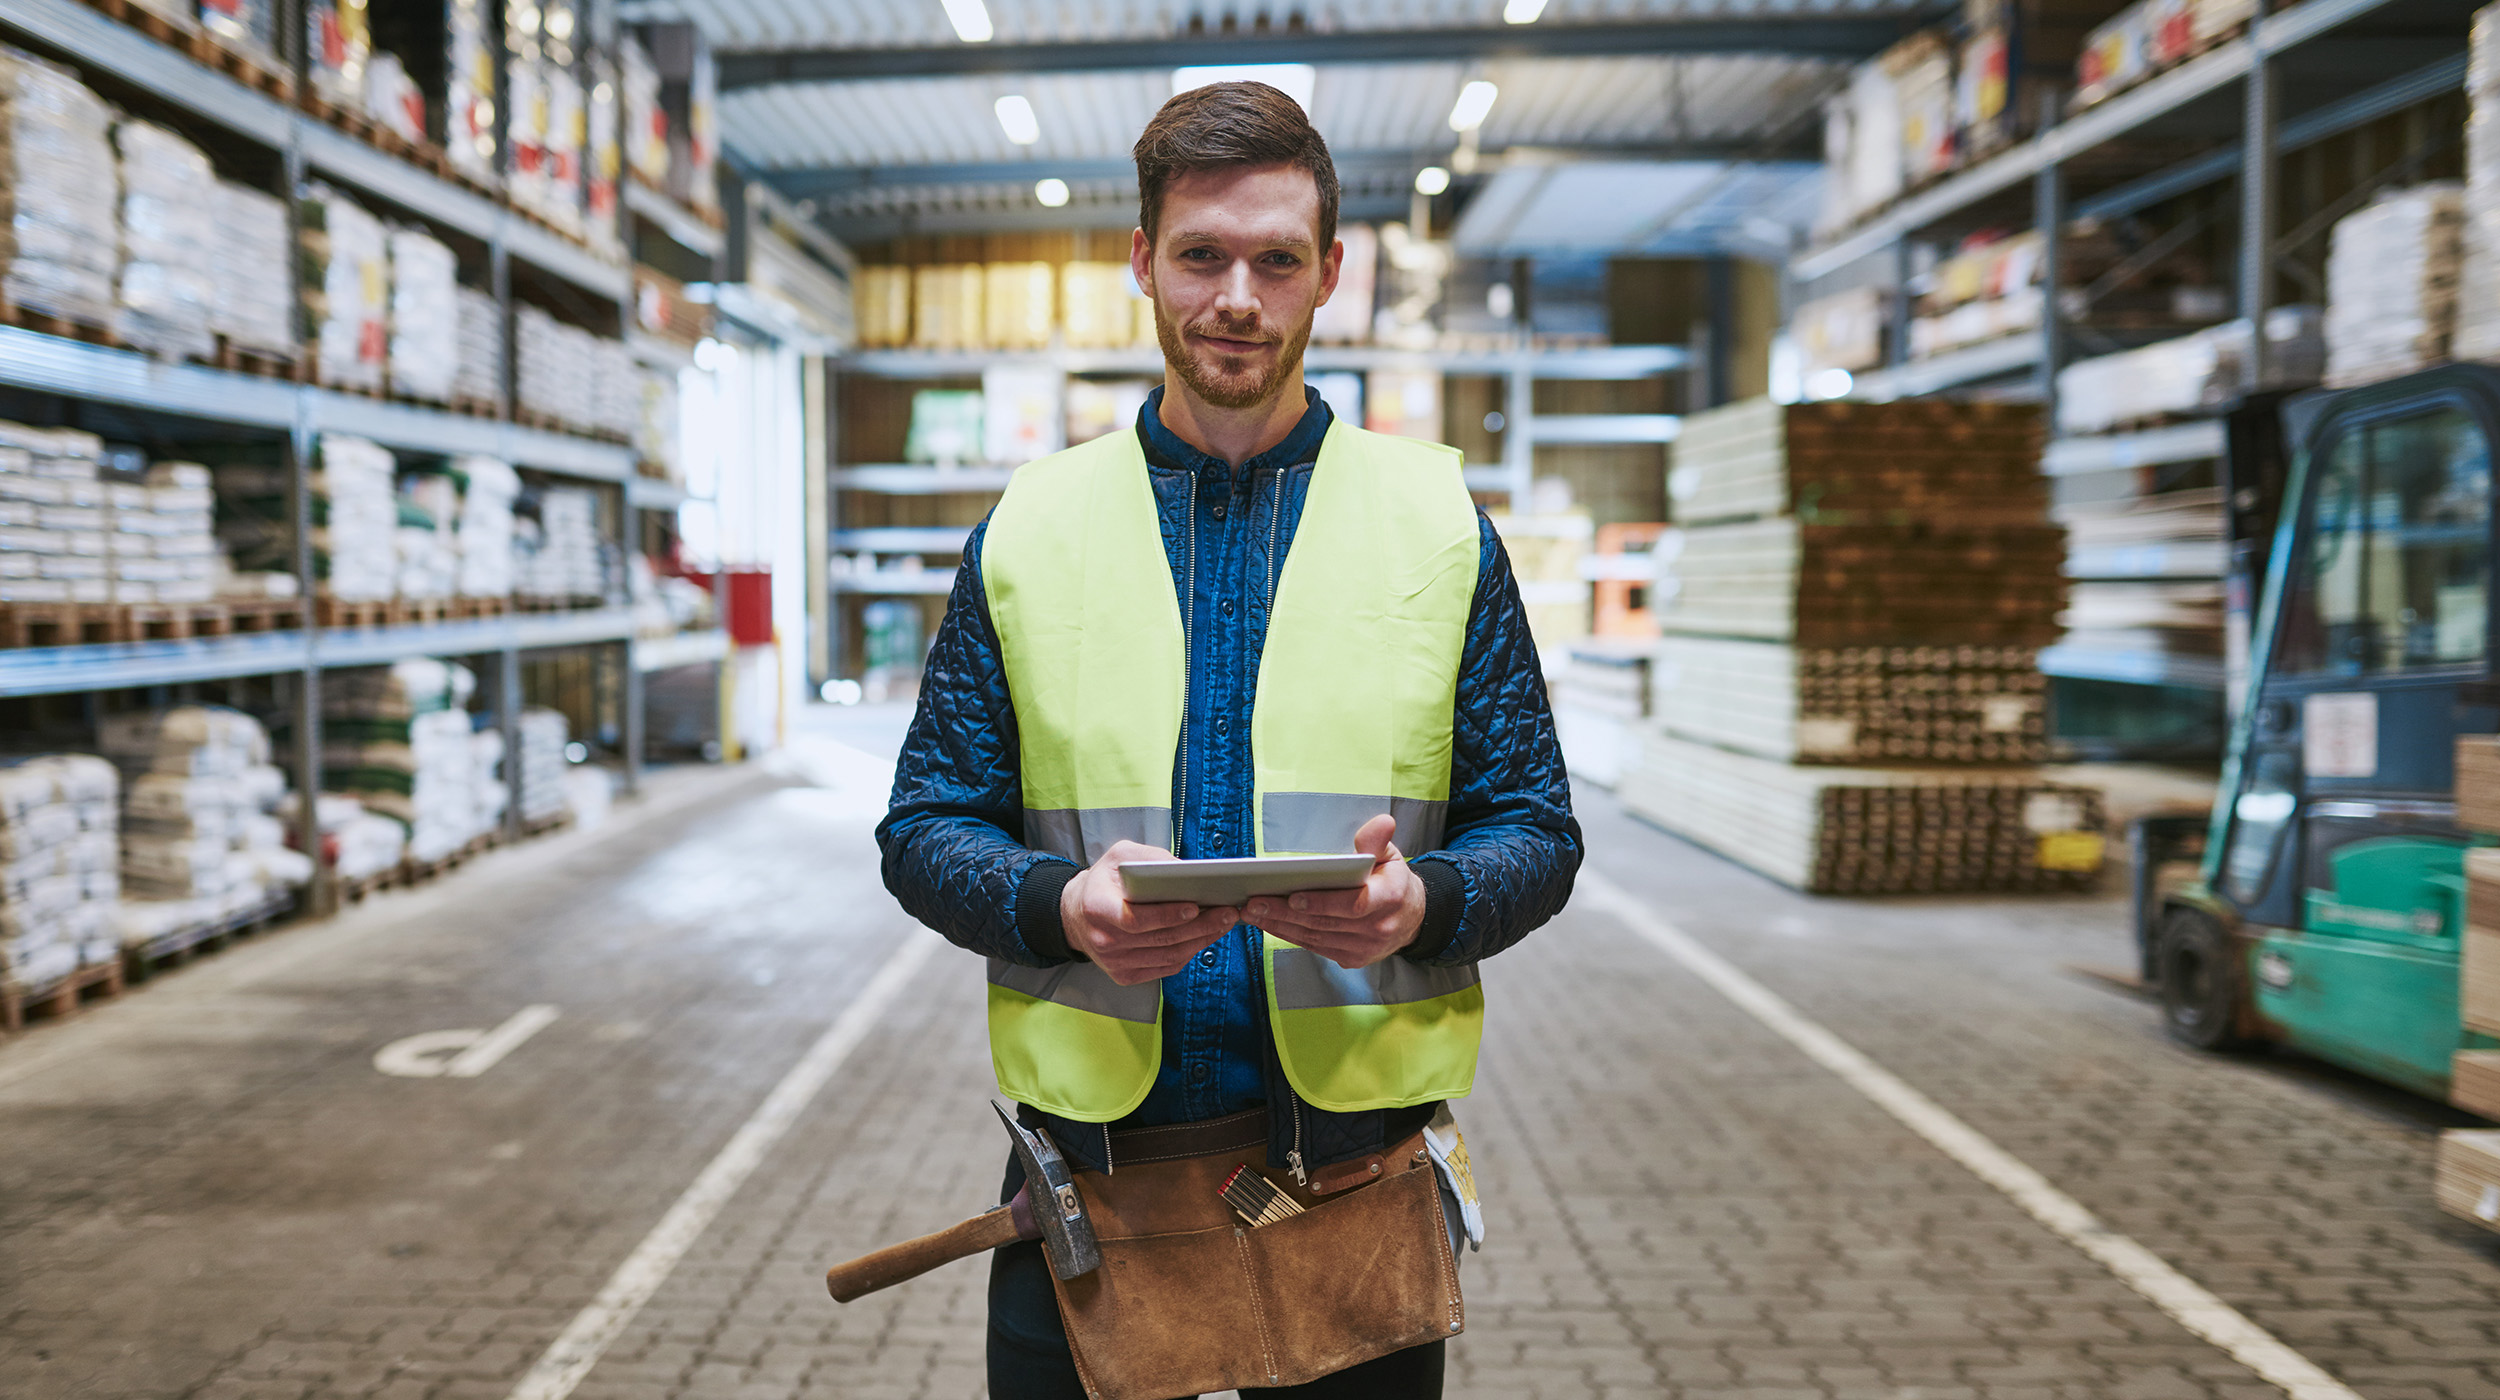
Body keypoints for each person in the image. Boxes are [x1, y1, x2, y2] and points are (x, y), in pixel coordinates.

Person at [876, 80, 1580, 1399]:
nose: (1237, 300)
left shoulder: (1436, 525)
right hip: (1091, 1179)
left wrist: (1424, 903)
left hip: (1350, 1172)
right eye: (1201, 256)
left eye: (1276, 260)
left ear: (1332, 274)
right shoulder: (1031, 527)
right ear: (1143, 261)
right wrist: (1054, 902)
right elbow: (923, 826)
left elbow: (1538, 826)